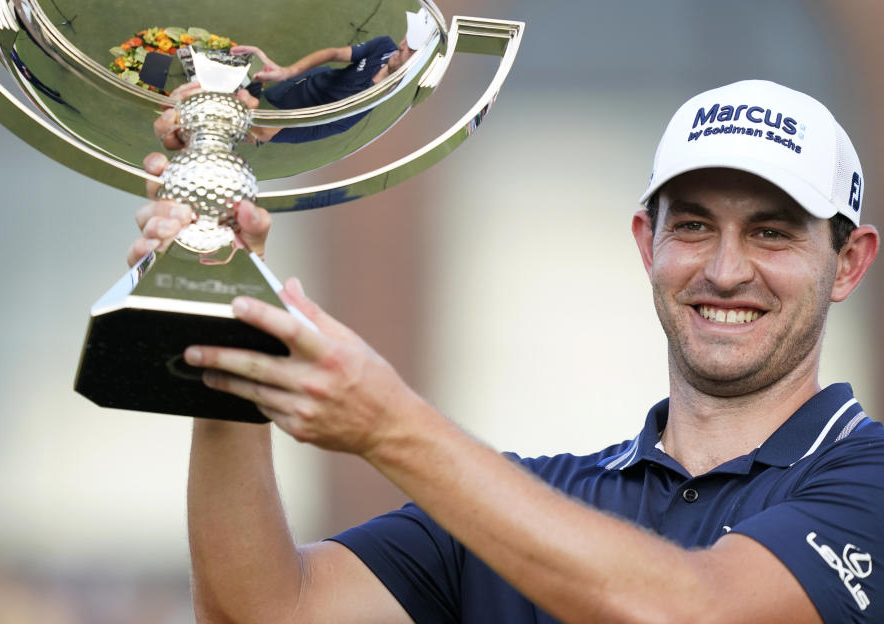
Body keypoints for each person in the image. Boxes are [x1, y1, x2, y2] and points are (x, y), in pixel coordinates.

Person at [131, 80, 883, 623]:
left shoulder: (868, 480)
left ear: (848, 263)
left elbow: (690, 611)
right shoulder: (524, 501)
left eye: (771, 232)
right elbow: (262, 613)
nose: (724, 269)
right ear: (645, 243)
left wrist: (389, 424)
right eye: (691, 226)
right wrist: (223, 330)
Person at [224, 8, 434, 144]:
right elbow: (334, 54)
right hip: (308, 82)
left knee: (257, 132)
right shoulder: (383, 47)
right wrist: (289, 71)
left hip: (316, 117)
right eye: (407, 38)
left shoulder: (366, 102)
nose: (401, 45)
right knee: (263, 93)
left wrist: (254, 120)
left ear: (417, 62)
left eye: (410, 48)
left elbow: (266, 132)